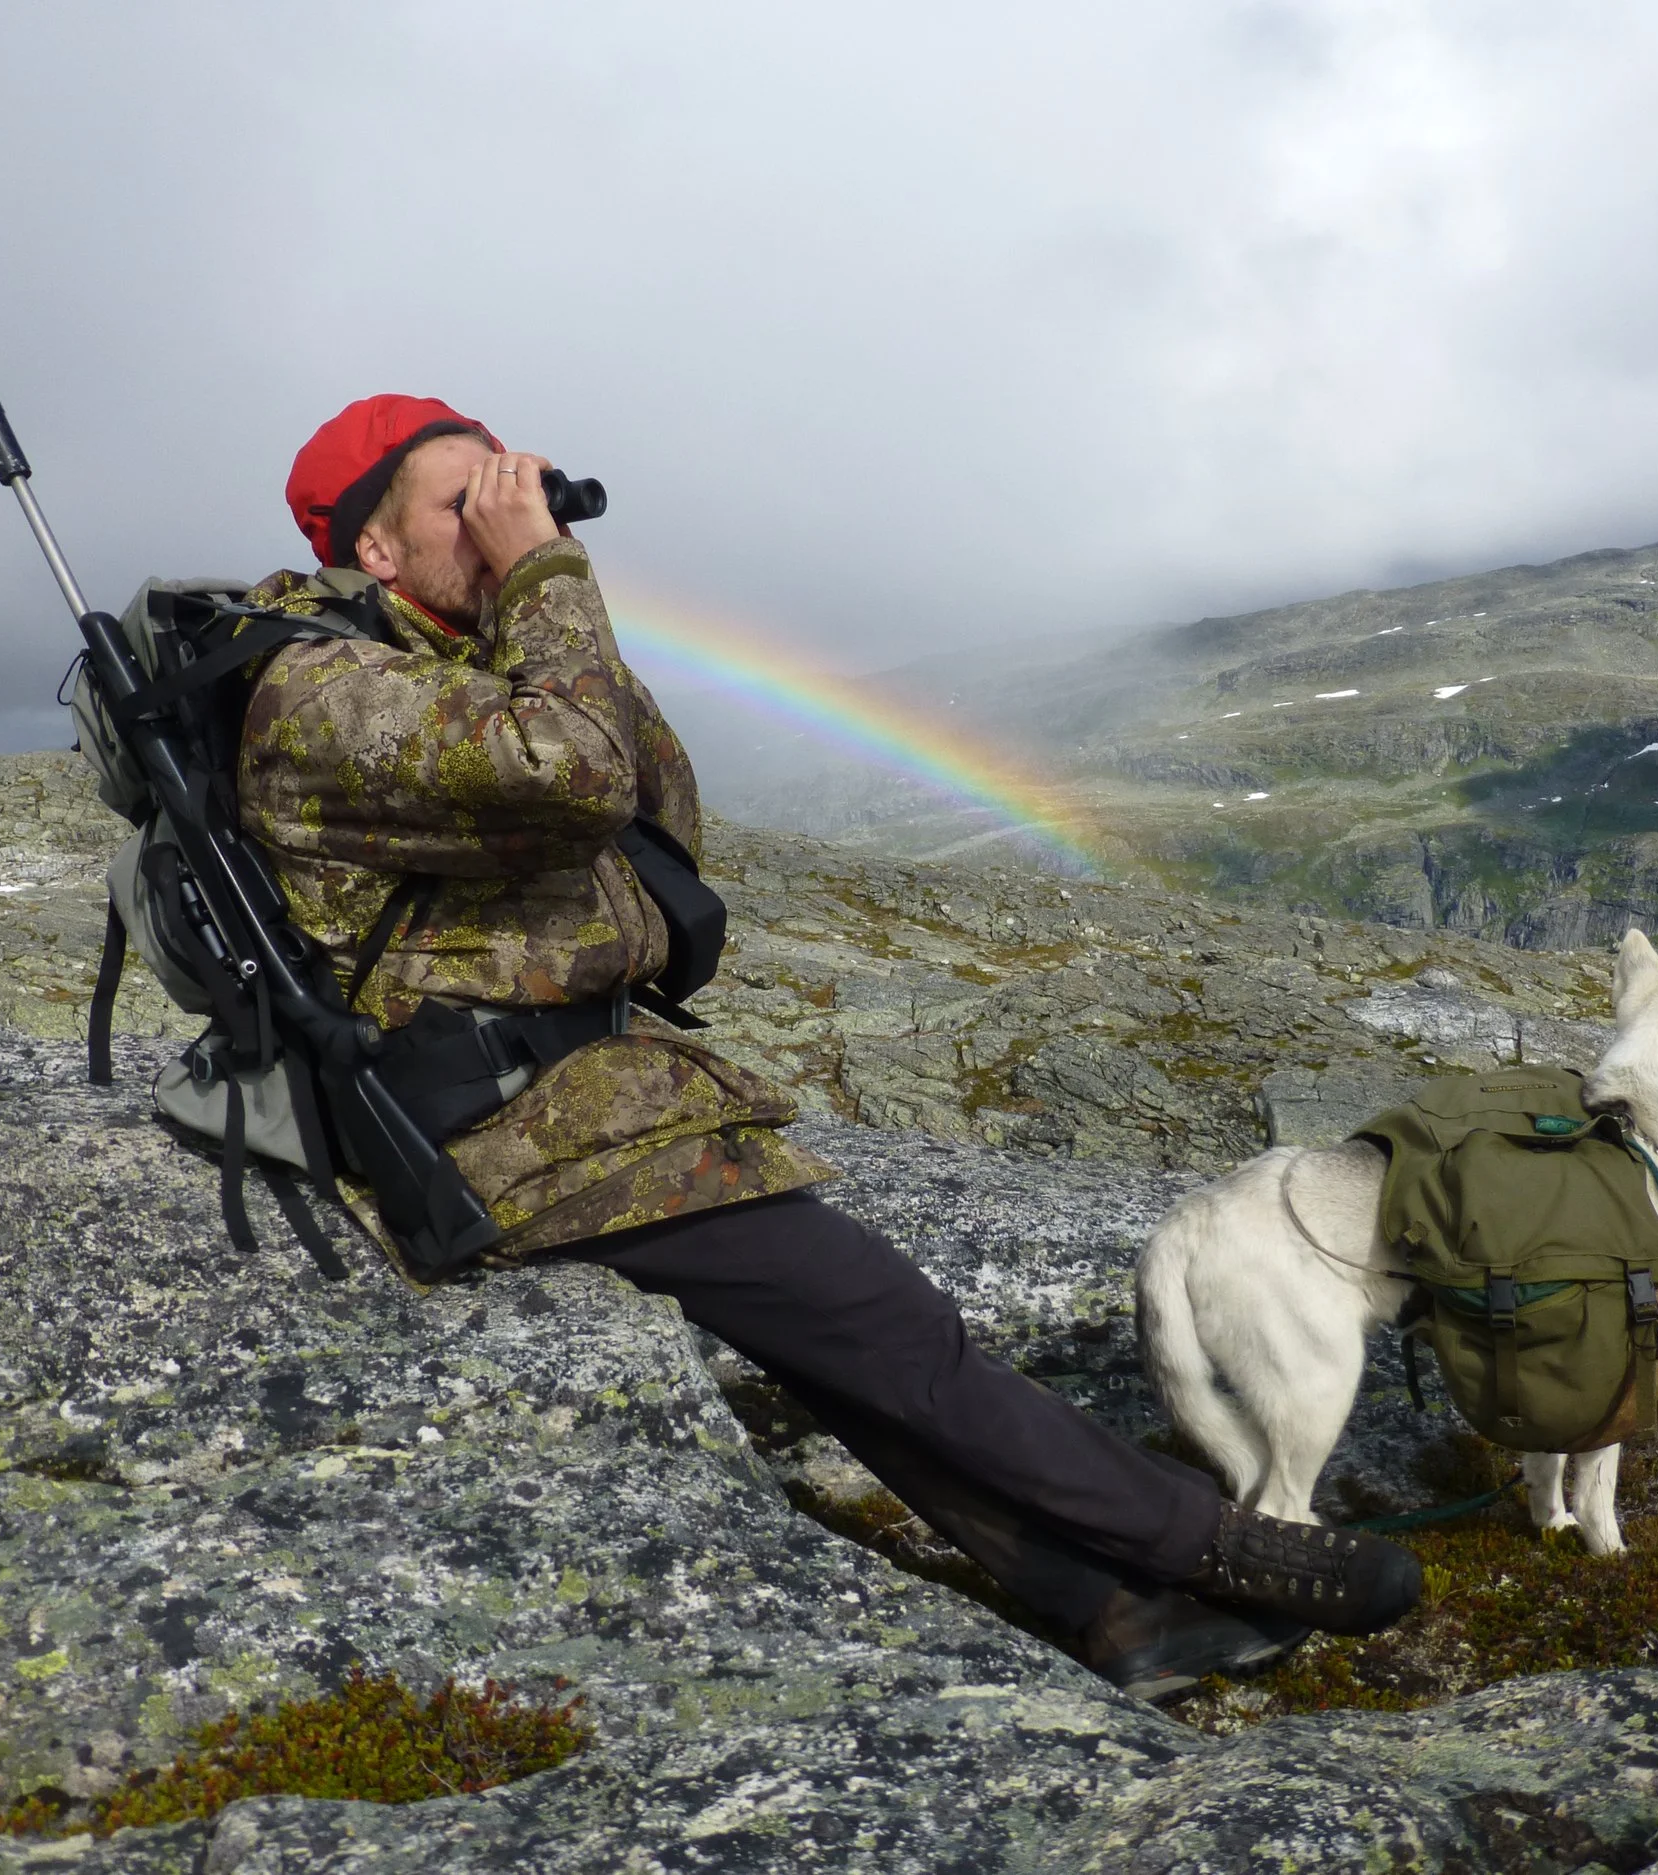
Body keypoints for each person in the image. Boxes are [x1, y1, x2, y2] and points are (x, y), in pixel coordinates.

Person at [235, 394, 1423, 1699]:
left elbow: (655, 802)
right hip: (491, 1123)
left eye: (507, 485)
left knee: (847, 1346)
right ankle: (1217, 1547)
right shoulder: (323, 692)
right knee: (875, 1316)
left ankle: (1113, 1609)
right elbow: (577, 776)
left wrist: (540, 594)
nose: (502, 516)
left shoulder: (475, 664)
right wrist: (548, 582)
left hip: (573, 1093)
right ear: (377, 551)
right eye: (462, 502)